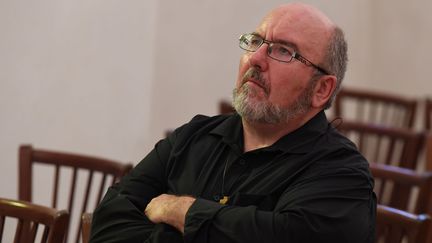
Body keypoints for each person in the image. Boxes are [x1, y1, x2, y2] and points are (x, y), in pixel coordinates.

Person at [90, 3, 376, 243]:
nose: (257, 58)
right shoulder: (193, 137)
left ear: (321, 90)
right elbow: (108, 221)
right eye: (255, 41)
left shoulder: (341, 173)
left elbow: (288, 236)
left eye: (283, 51)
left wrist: (185, 212)